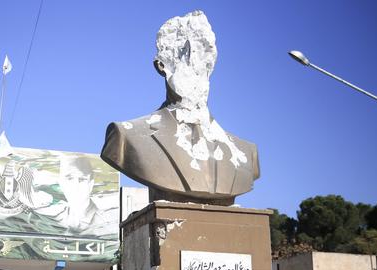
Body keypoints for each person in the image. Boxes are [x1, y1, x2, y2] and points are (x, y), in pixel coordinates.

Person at [100, 10, 259, 205]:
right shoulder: (126, 136)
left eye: (205, 50)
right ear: (161, 65)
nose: (196, 61)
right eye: (185, 52)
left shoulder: (246, 153)